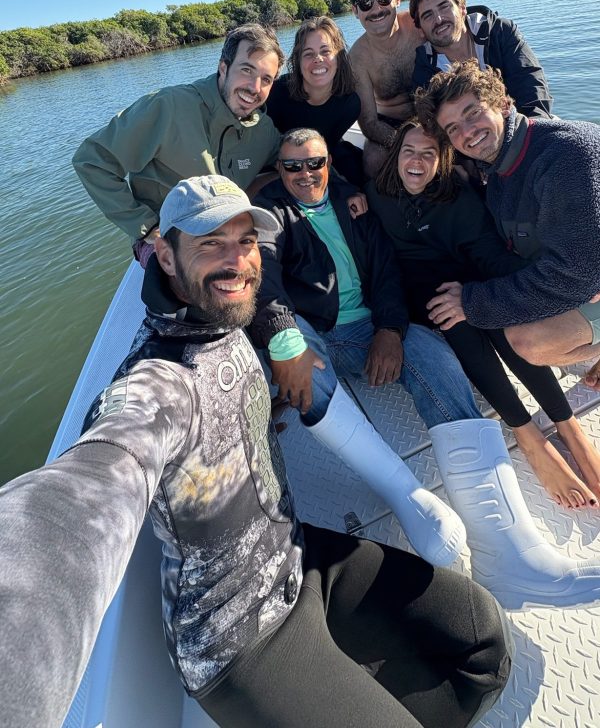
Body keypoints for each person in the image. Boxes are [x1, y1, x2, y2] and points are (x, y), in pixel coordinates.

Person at [0, 174, 513, 728]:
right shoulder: (155, 383)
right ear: (165, 257)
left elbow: (272, 304)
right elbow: (87, 487)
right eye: (209, 243)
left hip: (299, 557)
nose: (236, 260)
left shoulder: (230, 319)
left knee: (482, 643)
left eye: (245, 241)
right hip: (239, 636)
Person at [251, 128, 600, 609]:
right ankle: (406, 494)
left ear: (331, 163)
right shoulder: (271, 213)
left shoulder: (355, 202)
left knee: (439, 363)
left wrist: (391, 329)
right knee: (298, 354)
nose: (305, 174)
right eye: (293, 166)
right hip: (315, 331)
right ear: (280, 169)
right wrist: (283, 337)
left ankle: (509, 556)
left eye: (315, 163)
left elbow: (387, 268)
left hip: (370, 325)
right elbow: (263, 271)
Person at [367, 118, 599, 509]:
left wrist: (556, 294)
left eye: (429, 154)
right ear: (397, 157)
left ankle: (566, 422)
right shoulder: (376, 196)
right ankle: (526, 433)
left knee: (493, 316)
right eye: (409, 151)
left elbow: (490, 255)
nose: (417, 162)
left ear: (442, 161)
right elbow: (382, 264)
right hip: (423, 292)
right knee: (457, 322)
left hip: (469, 277)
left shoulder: (457, 195)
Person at [415, 62, 600, 498]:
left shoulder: (565, 154)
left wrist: (474, 302)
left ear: (503, 102)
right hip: (584, 278)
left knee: (527, 341)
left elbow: (577, 273)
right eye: (454, 128)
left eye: (473, 113)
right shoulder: (497, 172)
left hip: (589, 275)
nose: (468, 132)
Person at [72, 22, 284, 265]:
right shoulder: (168, 106)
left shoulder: (263, 130)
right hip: (166, 235)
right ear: (223, 68)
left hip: (229, 233)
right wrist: (146, 224)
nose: (254, 87)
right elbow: (91, 160)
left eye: (266, 79)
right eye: (246, 70)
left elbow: (289, 161)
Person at [409, 0, 552, 118]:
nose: (439, 19)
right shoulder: (425, 67)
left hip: (522, 126)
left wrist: (527, 131)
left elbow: (532, 89)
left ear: (462, 8)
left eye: (445, 7)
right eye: (428, 15)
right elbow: (431, 122)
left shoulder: (500, 32)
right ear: (420, 30)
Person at [344, 0, 424, 176]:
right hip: (391, 125)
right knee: (373, 158)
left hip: (438, 115)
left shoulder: (420, 28)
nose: (376, 9)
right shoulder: (357, 59)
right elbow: (369, 123)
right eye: (366, 3)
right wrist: (409, 144)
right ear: (355, 11)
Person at [266, 15, 364, 185]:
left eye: (325, 51)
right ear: (298, 62)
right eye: (308, 54)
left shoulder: (349, 104)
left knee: (356, 169)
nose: (318, 59)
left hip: (322, 154)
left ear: (339, 58)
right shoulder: (277, 94)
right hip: (282, 163)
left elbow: (328, 146)